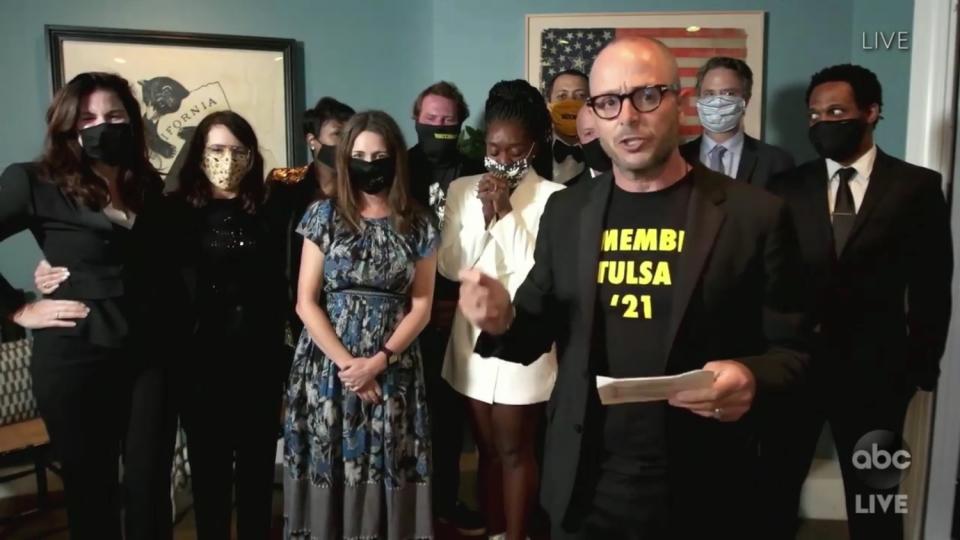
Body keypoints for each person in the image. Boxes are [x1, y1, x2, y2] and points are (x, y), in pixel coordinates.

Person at [457, 37, 808, 539]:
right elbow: (533, 330)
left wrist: (751, 379)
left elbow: (794, 352)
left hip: (706, 487)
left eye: (647, 96)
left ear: (680, 104)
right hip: (586, 486)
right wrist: (500, 320)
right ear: (594, 116)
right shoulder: (568, 212)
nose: (627, 117)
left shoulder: (755, 215)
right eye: (608, 102)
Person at [767, 64, 952, 540]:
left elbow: (933, 285)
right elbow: (770, 280)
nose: (823, 122)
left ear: (871, 113)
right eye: (814, 114)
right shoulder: (786, 188)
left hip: (879, 377)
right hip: (796, 370)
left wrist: (920, 368)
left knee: (876, 502)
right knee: (775, 493)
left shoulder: (917, 187)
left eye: (836, 111)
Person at [0, 72, 176, 540]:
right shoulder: (32, 181)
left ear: (132, 122)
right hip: (75, 353)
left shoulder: (148, 187)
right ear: (66, 125)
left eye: (115, 115)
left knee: (149, 485)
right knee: (90, 490)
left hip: (147, 353)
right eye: (89, 117)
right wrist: (17, 310)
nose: (103, 125)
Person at [283, 110, 438, 539]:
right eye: (360, 154)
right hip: (329, 369)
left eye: (380, 155)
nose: (370, 163)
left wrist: (379, 362)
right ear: (345, 159)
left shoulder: (420, 222)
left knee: (389, 458)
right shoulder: (323, 216)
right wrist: (352, 367)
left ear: (396, 160)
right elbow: (305, 302)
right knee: (332, 457)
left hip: (395, 368)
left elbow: (422, 304)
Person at [140, 110, 289, 539]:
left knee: (258, 476)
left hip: (259, 363)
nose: (228, 159)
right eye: (217, 149)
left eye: (238, 150)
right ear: (199, 153)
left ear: (252, 156)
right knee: (210, 479)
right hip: (200, 366)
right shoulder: (172, 213)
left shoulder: (268, 209)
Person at [439, 79, 564, 540]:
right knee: (488, 450)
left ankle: (517, 534)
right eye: (494, 148)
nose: (503, 159)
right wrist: (483, 216)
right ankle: (494, 531)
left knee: (516, 449)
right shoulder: (460, 189)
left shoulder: (554, 197)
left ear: (534, 146)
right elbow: (452, 266)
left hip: (523, 341)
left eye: (515, 150)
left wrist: (506, 213)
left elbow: (538, 274)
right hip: (469, 342)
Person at [407, 80, 486, 536]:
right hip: (407, 310)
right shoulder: (398, 168)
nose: (439, 127)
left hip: (461, 309)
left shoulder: (477, 172)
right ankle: (409, 506)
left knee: (451, 416)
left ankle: (447, 501)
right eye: (431, 119)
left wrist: (457, 301)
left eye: (448, 121)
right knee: (410, 414)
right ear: (416, 117)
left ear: (460, 123)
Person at [267, 97, 355, 340]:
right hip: (291, 309)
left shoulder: (364, 192)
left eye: (351, 135)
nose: (345, 144)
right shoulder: (284, 186)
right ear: (312, 141)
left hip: (346, 315)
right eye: (338, 134)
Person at [679, 56, 794, 188]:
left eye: (729, 93)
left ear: (745, 100)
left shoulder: (776, 161)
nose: (718, 102)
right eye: (709, 94)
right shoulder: (678, 158)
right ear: (699, 100)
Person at [544, 69, 589, 184]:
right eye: (562, 96)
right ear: (548, 104)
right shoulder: (533, 151)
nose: (570, 102)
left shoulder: (608, 153)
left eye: (580, 96)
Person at [565, 105, 612, 188]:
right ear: (579, 142)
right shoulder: (566, 195)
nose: (598, 136)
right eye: (589, 133)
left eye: (603, 128)